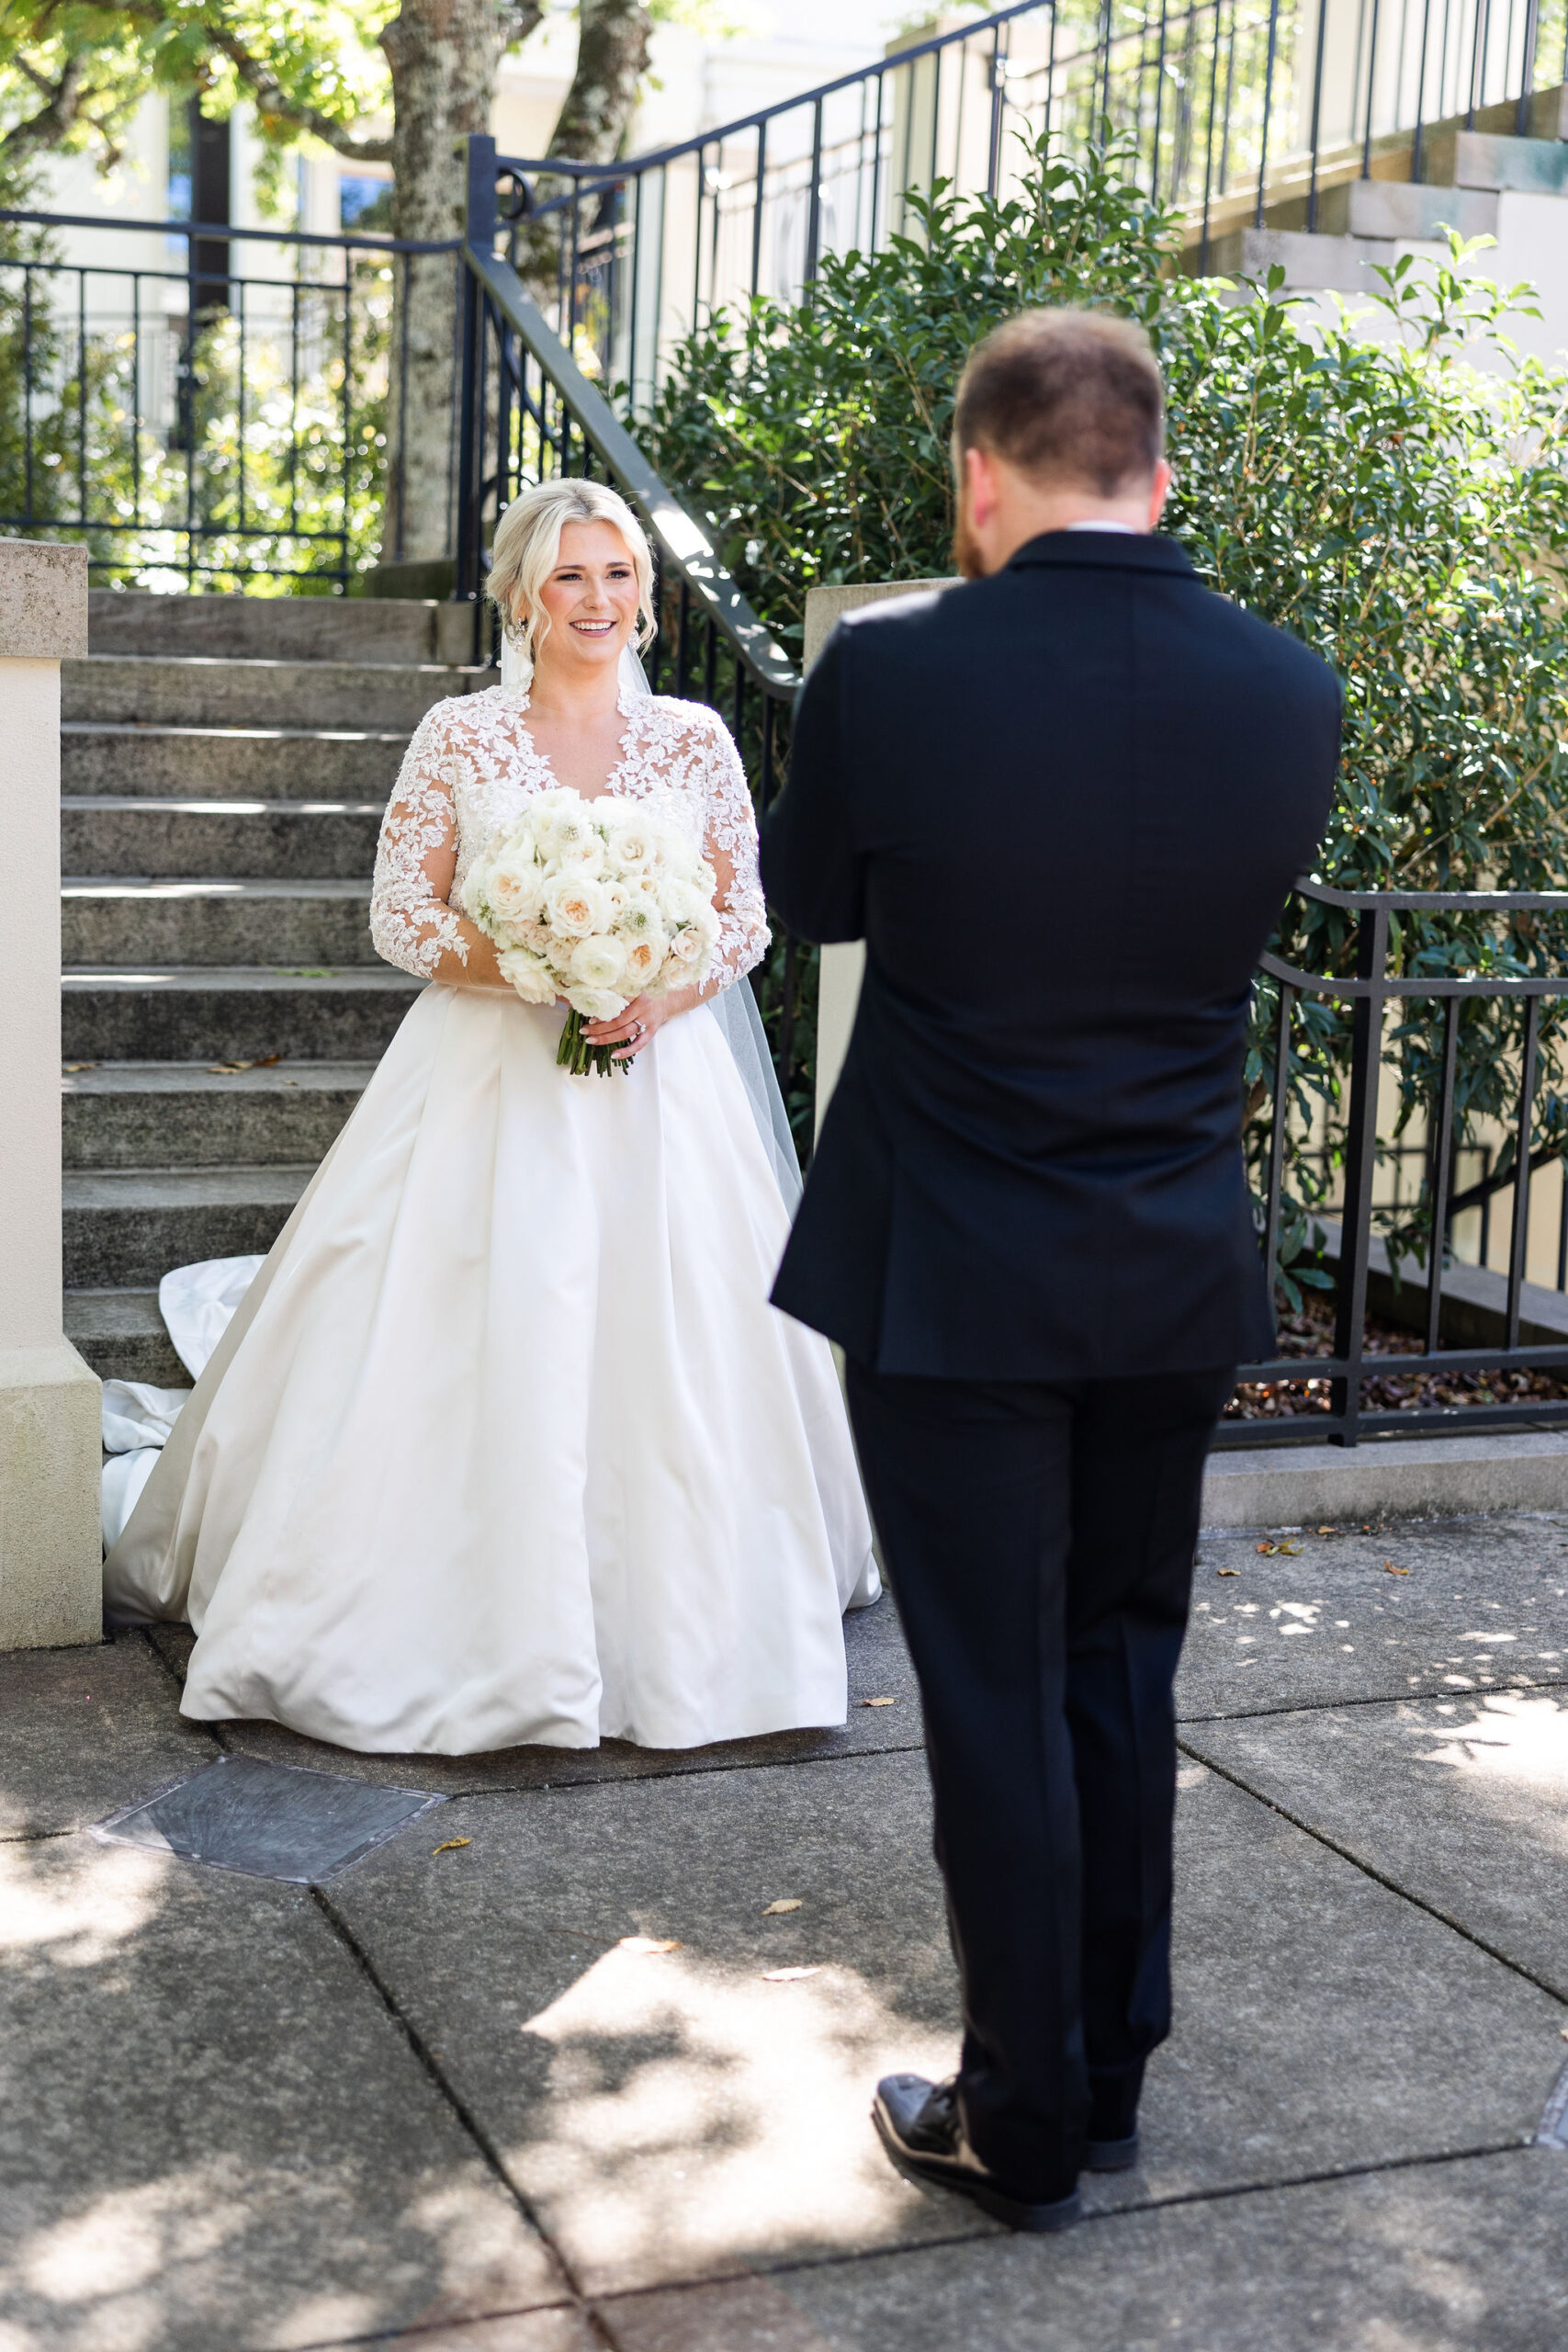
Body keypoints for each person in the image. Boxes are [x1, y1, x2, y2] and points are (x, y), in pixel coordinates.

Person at [761, 309, 1338, 2231]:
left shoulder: (893, 670)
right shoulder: (1287, 688)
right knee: (1118, 1660)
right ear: (1158, 475)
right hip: (1165, 1258)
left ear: (975, 482)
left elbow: (810, 901)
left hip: (951, 1269)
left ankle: (1015, 2117)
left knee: (993, 1691)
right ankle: (1104, 2068)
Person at [105, 477, 878, 1755]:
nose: (599, 600)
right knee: (464, 1315)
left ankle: (688, 1622)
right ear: (523, 594)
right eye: (570, 576)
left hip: (661, 1089)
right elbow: (403, 916)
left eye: (619, 574)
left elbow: (740, 918)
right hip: (485, 1075)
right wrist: (538, 970)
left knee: (676, 1339)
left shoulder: (695, 741)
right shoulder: (461, 736)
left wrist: (649, 996)